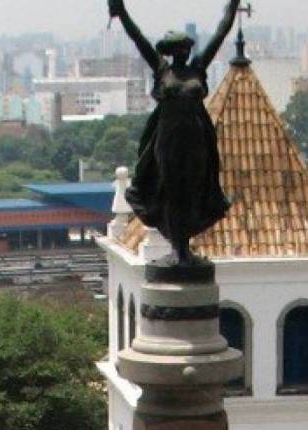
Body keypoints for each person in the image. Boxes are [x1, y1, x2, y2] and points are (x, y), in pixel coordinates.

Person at [107, 0, 242, 264]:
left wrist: (233, 5)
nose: (182, 51)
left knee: (193, 189)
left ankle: (184, 247)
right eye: (177, 48)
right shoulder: (162, 70)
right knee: (170, 190)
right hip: (168, 142)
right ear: (170, 51)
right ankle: (178, 248)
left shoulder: (198, 68)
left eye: (185, 47)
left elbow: (221, 32)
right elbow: (138, 39)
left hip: (195, 140)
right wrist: (121, 12)